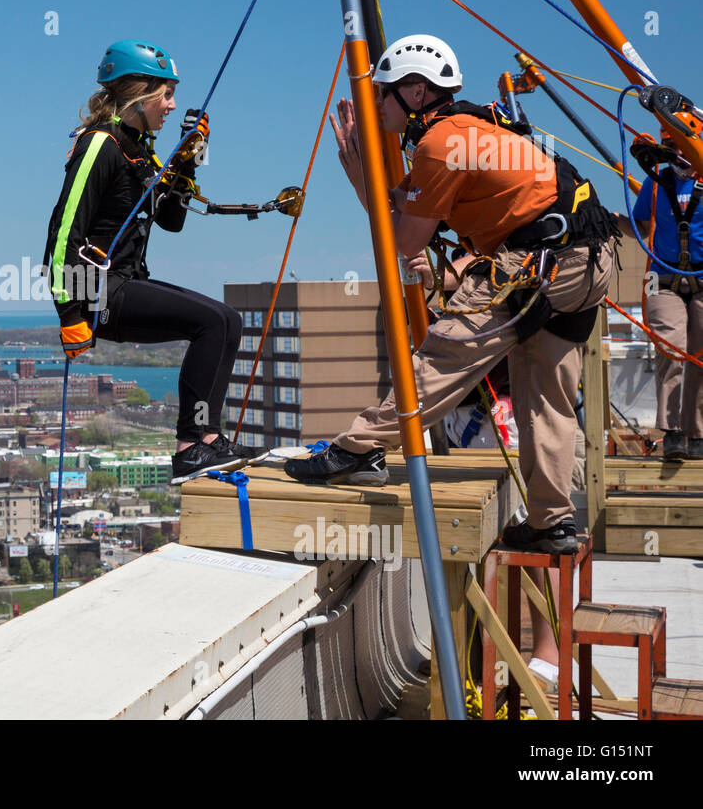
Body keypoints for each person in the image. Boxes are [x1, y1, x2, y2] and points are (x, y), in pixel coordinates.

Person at [284, 34, 620, 555]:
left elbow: (404, 240)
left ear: (417, 91)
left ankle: (358, 449)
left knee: (445, 354)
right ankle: (551, 522)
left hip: (540, 260)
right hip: (585, 259)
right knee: (544, 388)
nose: (377, 104)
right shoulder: (476, 128)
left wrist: (362, 184)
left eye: (385, 93)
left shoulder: (440, 141)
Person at [42, 40, 269, 484]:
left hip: (122, 283)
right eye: (165, 94)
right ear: (138, 95)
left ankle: (204, 441)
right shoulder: (100, 145)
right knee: (216, 323)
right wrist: (69, 313)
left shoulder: (138, 150)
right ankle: (192, 445)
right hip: (100, 291)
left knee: (227, 321)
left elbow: (171, 220)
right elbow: (63, 233)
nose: (172, 104)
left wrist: (187, 160)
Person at [625, 134, 703, 460]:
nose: (677, 153)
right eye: (672, 148)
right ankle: (671, 432)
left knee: (699, 357)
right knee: (671, 349)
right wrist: (607, 222)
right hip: (660, 279)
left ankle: (697, 433)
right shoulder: (655, 183)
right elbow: (641, 226)